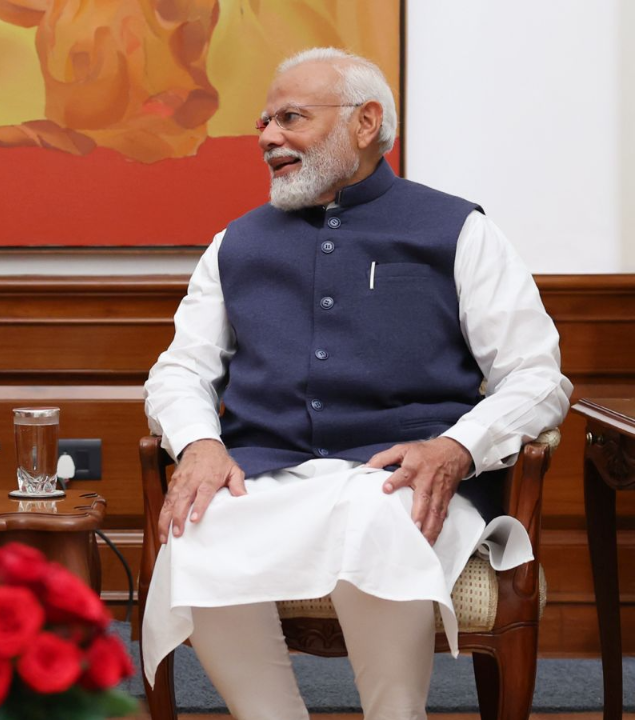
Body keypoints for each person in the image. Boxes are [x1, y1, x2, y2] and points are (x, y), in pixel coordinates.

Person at [141, 47, 571, 720]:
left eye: (290, 118)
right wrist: (198, 442)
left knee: (383, 514)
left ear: (366, 123)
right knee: (199, 524)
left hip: (401, 475)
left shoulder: (460, 231)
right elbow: (181, 368)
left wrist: (456, 448)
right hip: (270, 474)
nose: (267, 138)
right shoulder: (236, 243)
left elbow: (537, 376)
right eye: (264, 123)